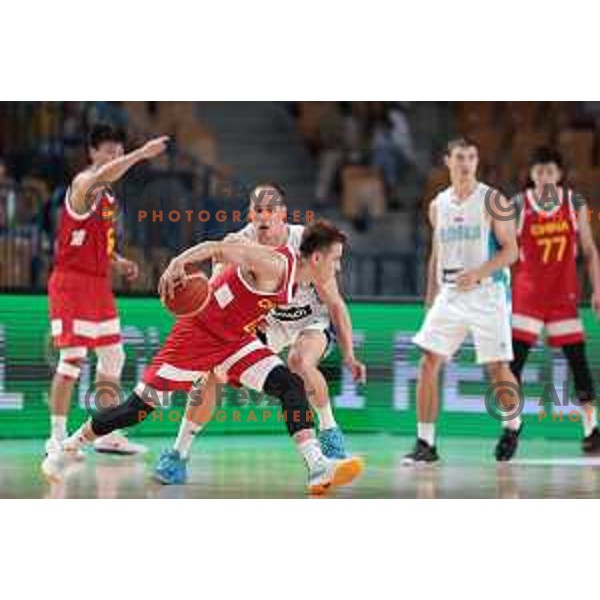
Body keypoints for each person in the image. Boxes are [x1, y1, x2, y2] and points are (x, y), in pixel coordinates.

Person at [48, 220, 365, 495]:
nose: (338, 267)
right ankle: (69, 446)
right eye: (336, 260)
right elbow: (220, 246)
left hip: (234, 342)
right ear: (318, 257)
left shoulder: (297, 275)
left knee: (289, 385)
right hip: (195, 339)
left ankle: (317, 466)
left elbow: (233, 242)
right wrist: (178, 263)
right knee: (137, 409)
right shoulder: (277, 266)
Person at [153, 183, 367, 485]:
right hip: (267, 322)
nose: (264, 216)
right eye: (258, 210)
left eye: (271, 209)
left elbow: (335, 303)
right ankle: (178, 454)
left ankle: (330, 433)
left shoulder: (305, 244)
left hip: (309, 319)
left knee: (300, 362)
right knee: (209, 373)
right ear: (251, 214)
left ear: (282, 213)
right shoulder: (239, 242)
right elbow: (218, 294)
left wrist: (349, 354)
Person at [44, 124, 169, 462]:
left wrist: (117, 261)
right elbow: (104, 176)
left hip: (98, 284)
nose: (116, 156)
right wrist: (141, 154)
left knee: (114, 357)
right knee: (71, 361)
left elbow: (97, 241)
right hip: (71, 283)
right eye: (110, 151)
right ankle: (55, 437)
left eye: (119, 150)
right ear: (93, 153)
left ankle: (106, 432)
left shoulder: (109, 199)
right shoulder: (85, 183)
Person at [404, 137, 522, 463]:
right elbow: (435, 255)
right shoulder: (437, 205)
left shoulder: (493, 199)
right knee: (427, 362)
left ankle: (513, 424)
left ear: (477, 160)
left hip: (488, 292)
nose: (466, 162)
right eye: (460, 156)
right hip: (451, 292)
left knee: (497, 370)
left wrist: (480, 271)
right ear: (448, 161)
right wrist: (431, 300)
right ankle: (425, 443)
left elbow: (512, 251)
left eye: (472, 156)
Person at [510, 147, 600, 453]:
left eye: (550, 171)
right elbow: (505, 253)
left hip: (563, 296)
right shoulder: (518, 205)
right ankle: (511, 425)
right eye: (539, 172)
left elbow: (589, 251)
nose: (545, 177)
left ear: (559, 175)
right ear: (531, 176)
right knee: (513, 365)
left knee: (579, 364)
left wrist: (597, 289)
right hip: (528, 296)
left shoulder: (575, 203)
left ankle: (591, 428)